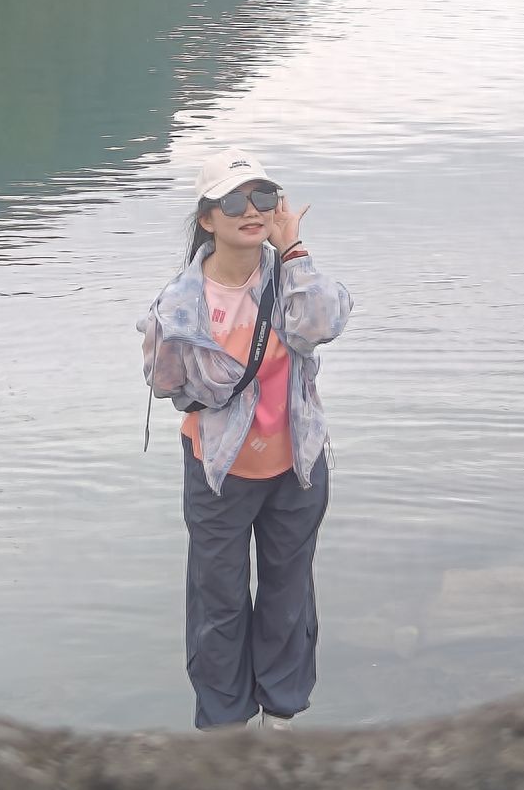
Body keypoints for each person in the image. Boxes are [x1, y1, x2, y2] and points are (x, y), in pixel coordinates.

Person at [139, 148, 351, 733]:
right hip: (219, 470)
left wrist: (295, 249)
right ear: (207, 217)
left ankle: (281, 713)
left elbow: (324, 323)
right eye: (234, 200)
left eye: (263, 196)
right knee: (219, 599)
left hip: (296, 466)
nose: (251, 210)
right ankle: (225, 722)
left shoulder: (290, 277)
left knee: (288, 591)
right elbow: (162, 380)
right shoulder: (180, 302)